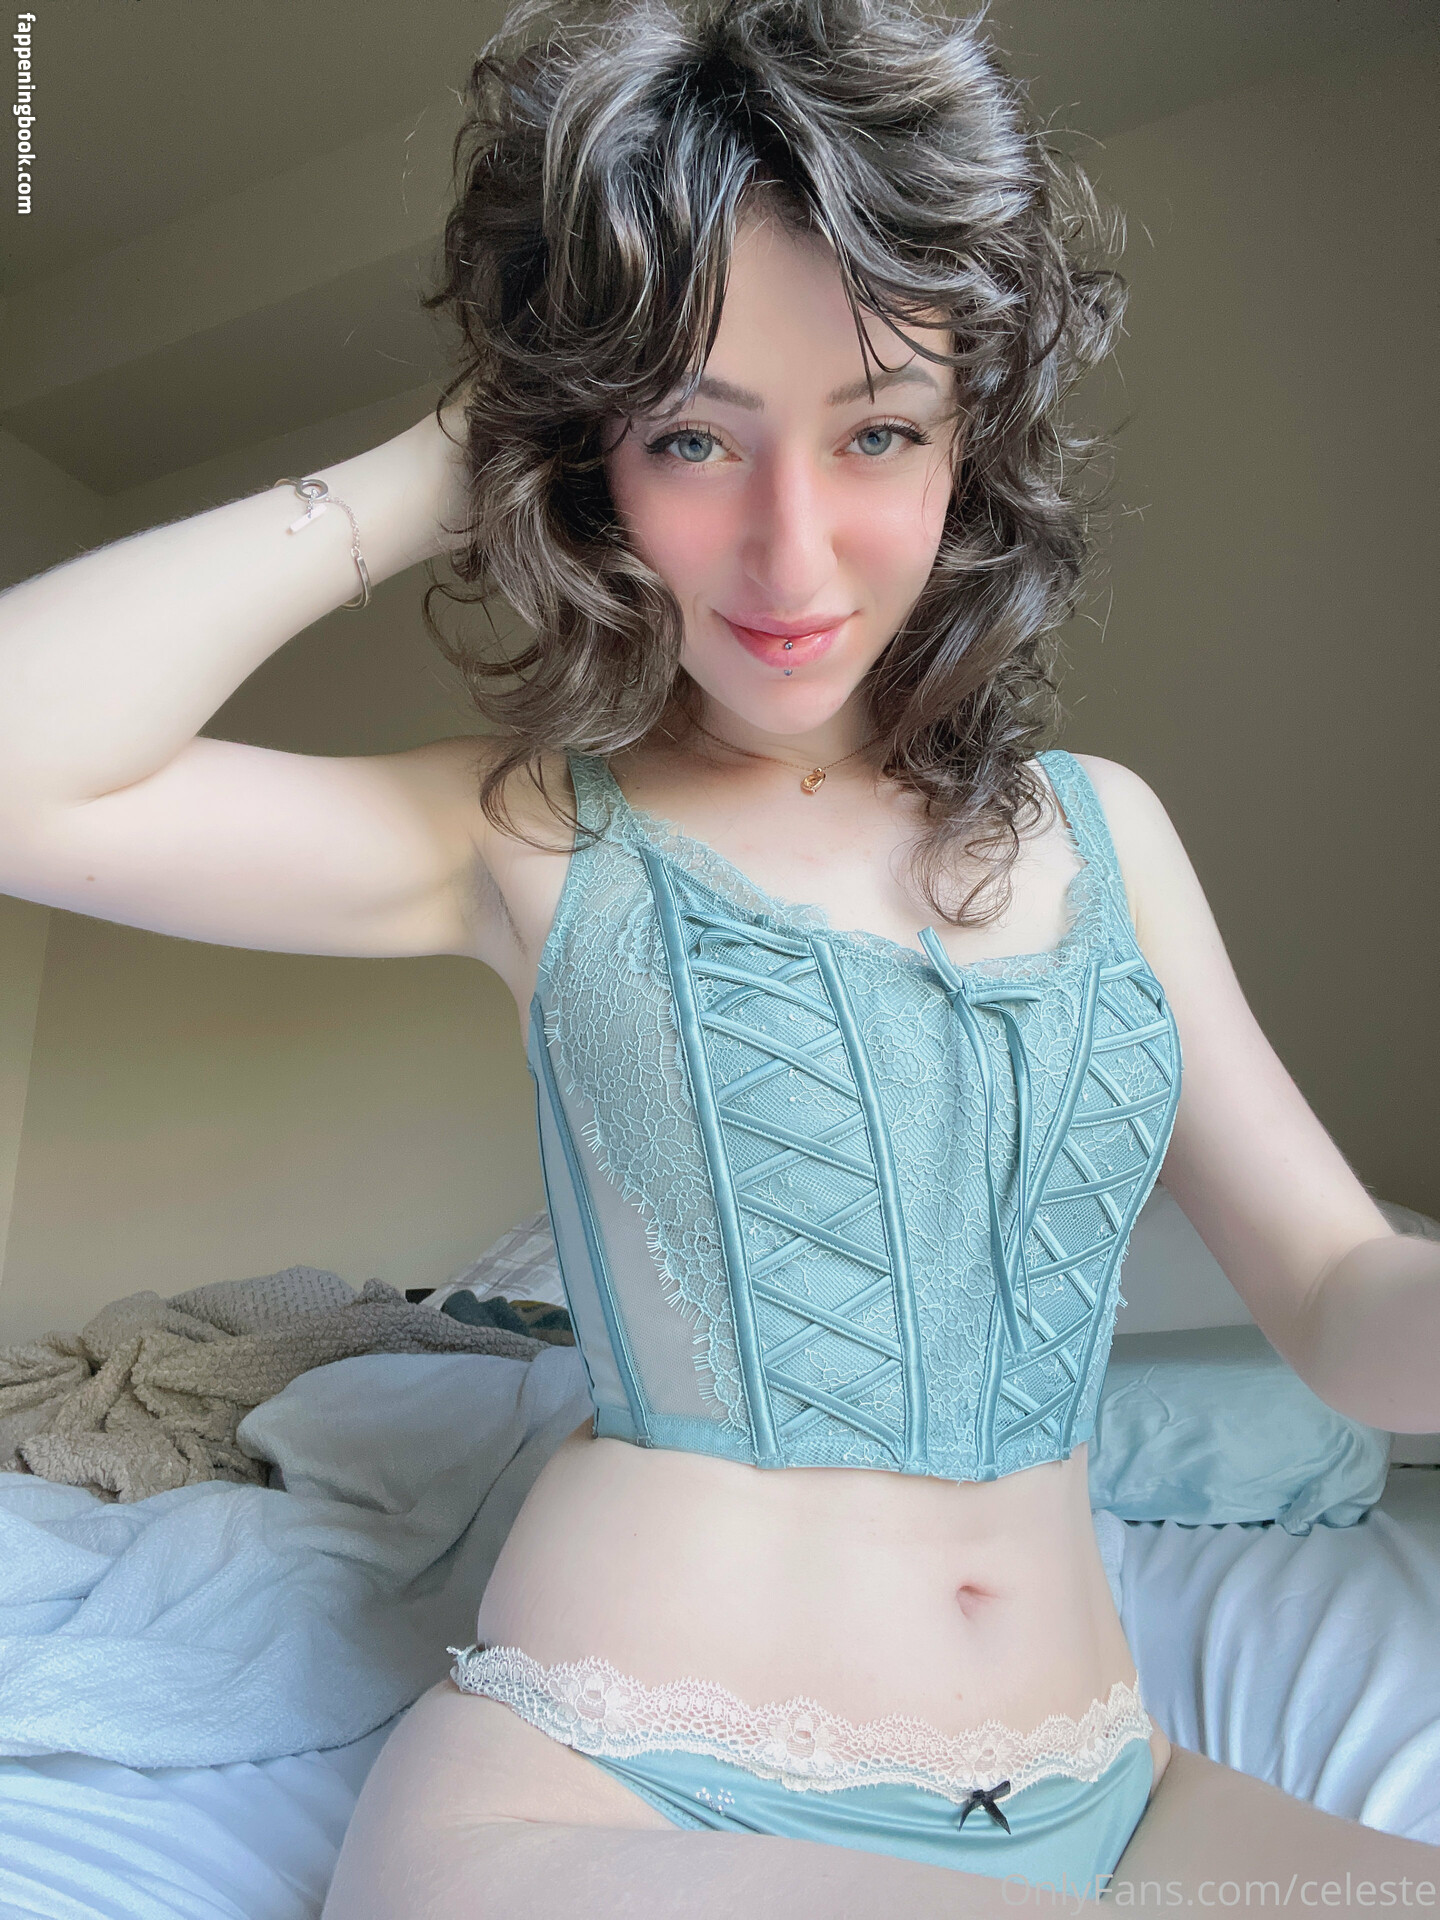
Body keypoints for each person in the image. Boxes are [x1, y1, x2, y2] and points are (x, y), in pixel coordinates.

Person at [1, 1, 1436, 1914]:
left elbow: (1340, 1295)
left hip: (1103, 1787)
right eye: (694, 436)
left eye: (878, 431)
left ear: (968, 449)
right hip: (610, 1796)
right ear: (592, 458)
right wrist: (464, 444)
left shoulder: (1109, 836)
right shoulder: (530, 833)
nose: (791, 555)